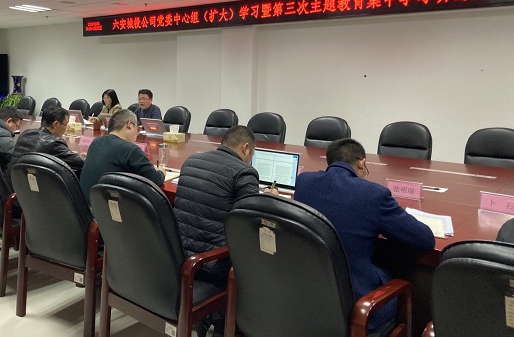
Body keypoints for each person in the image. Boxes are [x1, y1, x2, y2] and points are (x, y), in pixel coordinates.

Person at [293, 138, 435, 332]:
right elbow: (424, 239)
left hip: (307, 298)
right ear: (361, 163)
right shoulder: (373, 195)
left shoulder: (303, 182)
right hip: (356, 305)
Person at [174, 125, 274, 337]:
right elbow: (251, 221)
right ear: (246, 148)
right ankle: (233, 324)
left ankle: (215, 317)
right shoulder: (244, 172)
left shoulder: (191, 161)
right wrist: (269, 199)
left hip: (179, 256)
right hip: (214, 264)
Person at [80, 109, 166, 206]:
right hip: (109, 210)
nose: (137, 134)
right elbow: (154, 179)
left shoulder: (96, 142)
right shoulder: (130, 150)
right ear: (129, 124)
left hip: (86, 207)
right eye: (137, 129)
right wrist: (161, 172)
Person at [6, 106, 84, 190]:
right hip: (33, 193)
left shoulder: (25, 134)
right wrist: (84, 156)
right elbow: (82, 163)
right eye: (66, 125)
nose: (66, 129)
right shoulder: (53, 143)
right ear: (56, 124)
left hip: (13, 187)